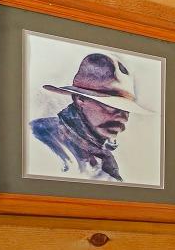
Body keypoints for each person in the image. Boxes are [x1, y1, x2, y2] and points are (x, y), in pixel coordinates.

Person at [29, 52, 152, 182]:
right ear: (80, 98)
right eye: (111, 105)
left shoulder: (104, 158)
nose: (124, 118)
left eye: (127, 110)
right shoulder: (39, 143)